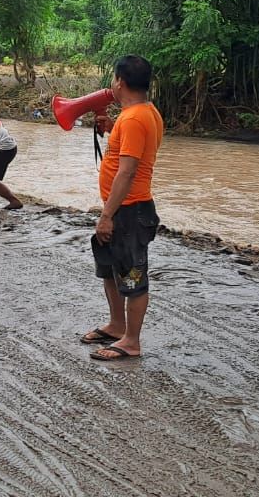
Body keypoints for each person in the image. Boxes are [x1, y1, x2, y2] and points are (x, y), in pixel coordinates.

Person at [79, 56, 165, 361]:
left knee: (132, 275)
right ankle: (117, 326)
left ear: (120, 82)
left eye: (113, 78)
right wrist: (113, 127)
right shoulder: (142, 113)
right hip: (125, 208)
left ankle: (131, 341)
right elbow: (132, 147)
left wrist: (106, 216)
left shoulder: (134, 118)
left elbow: (127, 172)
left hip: (130, 209)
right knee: (111, 266)